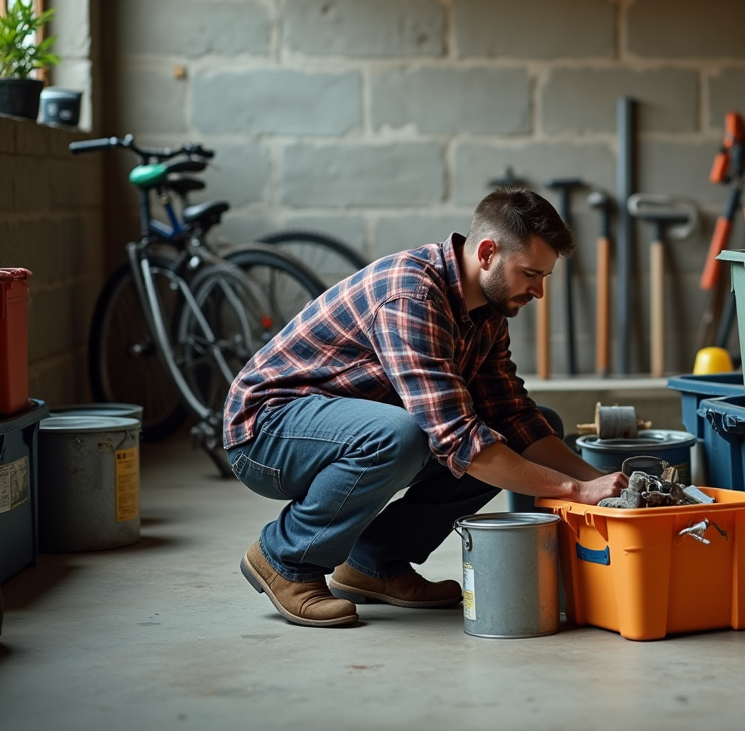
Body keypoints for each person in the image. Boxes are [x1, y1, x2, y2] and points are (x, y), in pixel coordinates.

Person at [222, 188, 628, 627]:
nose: (539, 291)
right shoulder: (411, 295)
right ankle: (285, 558)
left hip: (342, 427)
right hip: (267, 431)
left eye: (544, 277)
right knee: (400, 435)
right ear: (488, 253)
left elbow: (515, 417)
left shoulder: (486, 313)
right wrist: (573, 491)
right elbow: (459, 439)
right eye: (531, 273)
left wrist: (600, 482)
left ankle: (374, 563)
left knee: (534, 425)